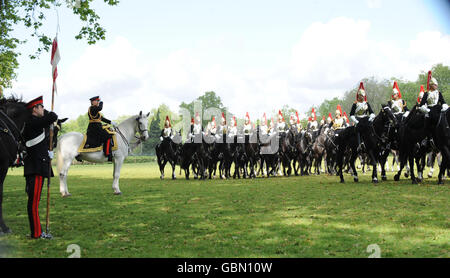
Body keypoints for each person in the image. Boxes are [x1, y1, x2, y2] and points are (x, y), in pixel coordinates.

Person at [23, 96, 58, 239]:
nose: (43, 109)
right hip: (36, 167)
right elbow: (53, 116)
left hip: (38, 165)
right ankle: (37, 233)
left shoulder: (37, 123)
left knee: (34, 202)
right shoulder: (32, 122)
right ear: (34, 109)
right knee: (34, 202)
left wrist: (48, 153)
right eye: (41, 106)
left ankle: (36, 231)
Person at [419, 71, 448, 141]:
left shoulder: (439, 93)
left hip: (438, 109)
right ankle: (427, 138)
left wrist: (444, 106)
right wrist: (426, 110)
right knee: (428, 122)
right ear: (431, 85)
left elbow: (443, 102)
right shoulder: (426, 93)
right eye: (434, 85)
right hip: (429, 110)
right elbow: (422, 104)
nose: (436, 86)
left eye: (436, 85)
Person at [86, 96, 116, 162]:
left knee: (108, 133)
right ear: (92, 102)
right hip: (94, 128)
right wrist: (101, 102)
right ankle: (108, 153)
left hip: (98, 127)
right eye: (97, 101)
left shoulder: (96, 111)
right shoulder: (92, 108)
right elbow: (100, 108)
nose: (98, 102)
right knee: (108, 136)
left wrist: (111, 122)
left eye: (98, 101)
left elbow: (102, 119)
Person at [350, 82, 375, 152]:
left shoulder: (366, 103)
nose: (362, 97)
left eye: (363, 96)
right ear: (359, 96)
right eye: (361, 96)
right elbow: (351, 114)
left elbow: (372, 113)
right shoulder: (355, 104)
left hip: (365, 118)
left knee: (371, 127)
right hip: (358, 118)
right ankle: (359, 144)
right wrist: (356, 121)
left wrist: (370, 118)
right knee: (358, 128)